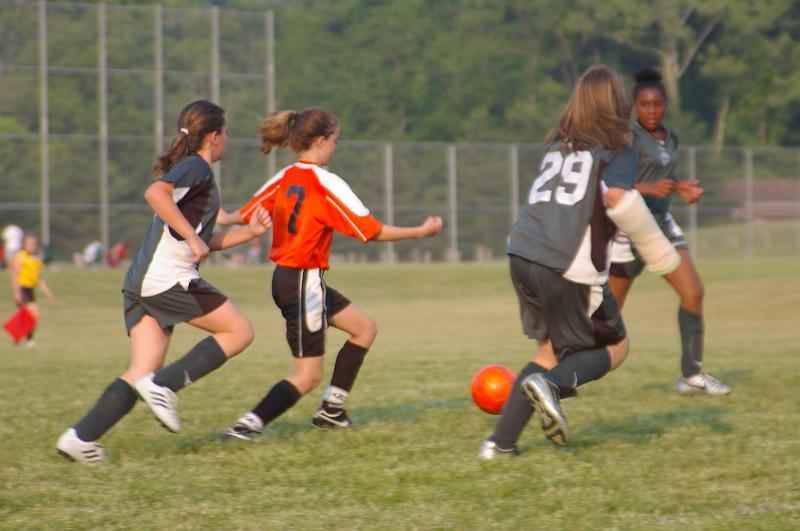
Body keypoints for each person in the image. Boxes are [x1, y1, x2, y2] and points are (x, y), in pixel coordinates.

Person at [478, 65, 682, 459]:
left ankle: (499, 444)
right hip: (566, 260)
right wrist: (660, 252)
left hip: (521, 251)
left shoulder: (559, 143)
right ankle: (552, 387)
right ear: (618, 102)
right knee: (616, 346)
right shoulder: (619, 144)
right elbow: (619, 199)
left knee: (549, 352)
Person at [56, 100, 272, 463]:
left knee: (140, 371)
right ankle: (164, 387)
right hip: (167, 279)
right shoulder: (195, 167)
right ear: (214, 137)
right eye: (227, 132)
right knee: (239, 332)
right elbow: (155, 194)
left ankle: (81, 438)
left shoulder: (195, 172)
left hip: (143, 281)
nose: (227, 139)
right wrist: (193, 238)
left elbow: (206, 236)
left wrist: (247, 232)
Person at [222, 107, 443, 440]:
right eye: (335, 141)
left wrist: (220, 217)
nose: (336, 148)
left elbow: (246, 213)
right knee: (308, 375)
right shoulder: (326, 183)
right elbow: (370, 230)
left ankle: (332, 410)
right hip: (303, 282)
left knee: (364, 328)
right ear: (321, 141)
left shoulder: (285, 176)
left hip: (288, 278)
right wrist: (420, 232)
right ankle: (247, 426)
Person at [608, 68, 730, 396]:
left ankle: (692, 375)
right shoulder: (627, 138)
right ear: (634, 106)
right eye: (644, 104)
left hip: (660, 225)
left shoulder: (671, 137)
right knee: (606, 316)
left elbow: (660, 180)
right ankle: (557, 370)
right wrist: (650, 188)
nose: (651, 110)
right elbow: (609, 184)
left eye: (657, 104)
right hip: (628, 229)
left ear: (665, 105)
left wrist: (679, 187)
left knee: (693, 292)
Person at [9, 234, 54, 347]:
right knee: (34, 313)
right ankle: (29, 340)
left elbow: (39, 277)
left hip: (30, 290)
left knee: (28, 315)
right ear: (24, 244)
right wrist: (16, 291)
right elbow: (15, 274)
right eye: (29, 243)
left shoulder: (35, 259)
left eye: (33, 243)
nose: (32, 245)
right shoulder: (20, 256)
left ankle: (17, 336)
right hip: (22, 288)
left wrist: (47, 292)